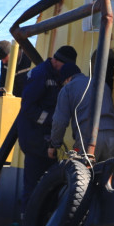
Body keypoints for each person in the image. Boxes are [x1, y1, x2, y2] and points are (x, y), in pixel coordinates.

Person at [17, 45, 76, 205]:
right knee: (34, 185)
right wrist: (51, 119)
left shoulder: (57, 74)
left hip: (47, 138)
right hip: (34, 138)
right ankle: (27, 223)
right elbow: (28, 107)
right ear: (57, 61)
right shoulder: (40, 75)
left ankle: (46, 223)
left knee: (51, 185)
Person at [48, 62, 114, 162]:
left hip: (88, 136)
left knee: (81, 174)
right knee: (107, 174)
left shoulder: (67, 88)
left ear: (67, 79)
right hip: (111, 134)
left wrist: (54, 144)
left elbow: (60, 122)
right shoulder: (102, 84)